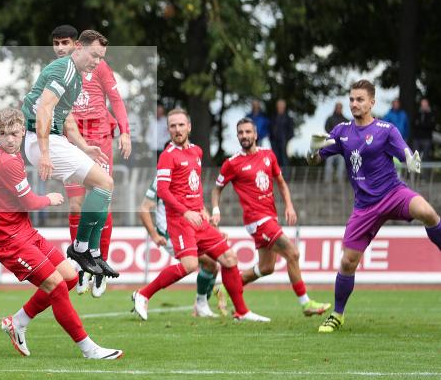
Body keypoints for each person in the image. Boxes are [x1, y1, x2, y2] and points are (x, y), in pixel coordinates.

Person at [0, 107, 122, 359]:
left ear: (23, 131)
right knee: (57, 286)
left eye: (15, 134)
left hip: (23, 230)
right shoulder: (8, 161)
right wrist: (49, 198)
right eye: (4, 134)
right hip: (9, 240)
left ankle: (18, 321)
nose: (10, 140)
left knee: (69, 277)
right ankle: (88, 349)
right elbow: (29, 202)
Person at [307, 79, 441, 333]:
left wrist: (411, 161)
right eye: (352, 99)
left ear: (371, 102)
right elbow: (315, 160)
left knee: (427, 211)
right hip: (364, 207)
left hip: (393, 193)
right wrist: (312, 152)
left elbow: (405, 153)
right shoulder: (341, 131)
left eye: (360, 99)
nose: (354, 103)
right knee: (347, 262)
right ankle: (337, 314)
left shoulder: (385, 129)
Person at [131, 108, 269, 323]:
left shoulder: (197, 151)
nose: (177, 129)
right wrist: (185, 212)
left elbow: (192, 188)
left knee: (229, 259)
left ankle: (241, 311)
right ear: (168, 130)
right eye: (172, 126)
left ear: (189, 127)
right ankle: (143, 294)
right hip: (179, 221)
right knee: (189, 265)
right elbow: (165, 192)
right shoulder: (167, 157)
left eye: (180, 125)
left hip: (199, 220)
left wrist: (203, 210)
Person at [22, 29, 117, 280]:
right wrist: (44, 153)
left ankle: (93, 251)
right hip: (43, 140)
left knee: (103, 187)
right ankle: (80, 248)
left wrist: (84, 146)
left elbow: (66, 118)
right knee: (104, 183)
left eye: (101, 58)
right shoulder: (64, 69)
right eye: (95, 56)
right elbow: (44, 109)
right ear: (79, 48)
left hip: (53, 140)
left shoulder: (75, 76)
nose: (97, 62)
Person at [212, 118, 330, 316]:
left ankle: (225, 288)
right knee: (292, 253)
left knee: (266, 268)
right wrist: (216, 209)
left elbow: (281, 182)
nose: (244, 136)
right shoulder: (232, 164)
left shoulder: (268, 155)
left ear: (256, 135)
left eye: (248, 132)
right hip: (256, 220)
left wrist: (289, 206)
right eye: (240, 133)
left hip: (270, 217)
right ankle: (306, 304)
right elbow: (216, 189)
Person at [51, 25, 131, 297]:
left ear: (77, 45)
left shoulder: (99, 66)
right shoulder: (58, 70)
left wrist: (125, 132)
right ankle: (81, 260)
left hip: (98, 138)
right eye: (56, 44)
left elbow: (116, 99)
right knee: (75, 204)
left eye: (66, 43)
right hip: (72, 139)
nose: (61, 48)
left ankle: (98, 262)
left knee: (100, 195)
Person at [138, 178, 228, 317]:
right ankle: (144, 294)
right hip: (171, 234)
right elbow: (144, 208)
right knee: (205, 264)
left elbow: (199, 207)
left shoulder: (190, 170)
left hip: (191, 231)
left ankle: (200, 306)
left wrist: (213, 230)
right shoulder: (162, 178)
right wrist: (154, 235)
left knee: (212, 266)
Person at [324, 102, 348, 182]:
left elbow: (348, 132)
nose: (338, 109)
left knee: (341, 164)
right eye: (337, 107)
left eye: (340, 107)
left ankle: (340, 181)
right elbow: (326, 128)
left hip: (341, 146)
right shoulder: (330, 119)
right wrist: (334, 135)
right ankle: (327, 181)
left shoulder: (345, 120)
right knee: (329, 163)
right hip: (331, 144)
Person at [269, 99, 294, 168]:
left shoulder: (288, 118)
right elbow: (270, 129)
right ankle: (276, 176)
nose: (280, 107)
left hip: (284, 142)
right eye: (279, 105)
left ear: (284, 106)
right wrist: (271, 138)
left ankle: (285, 177)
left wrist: (286, 140)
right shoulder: (273, 117)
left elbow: (291, 132)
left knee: (284, 159)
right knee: (275, 159)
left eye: (281, 105)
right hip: (274, 142)